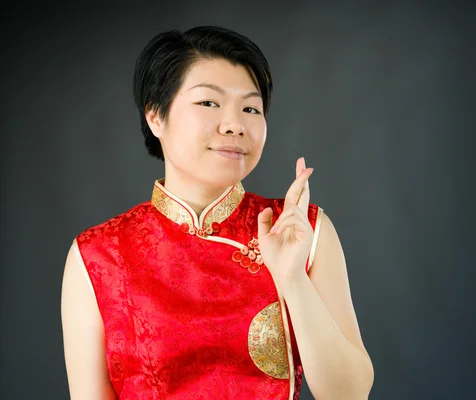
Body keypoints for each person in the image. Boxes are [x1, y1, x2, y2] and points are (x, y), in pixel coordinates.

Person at [61, 25, 374, 400]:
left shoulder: (300, 229)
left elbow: (349, 394)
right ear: (155, 117)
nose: (235, 125)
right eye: (209, 103)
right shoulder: (99, 254)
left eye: (250, 108)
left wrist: (292, 279)